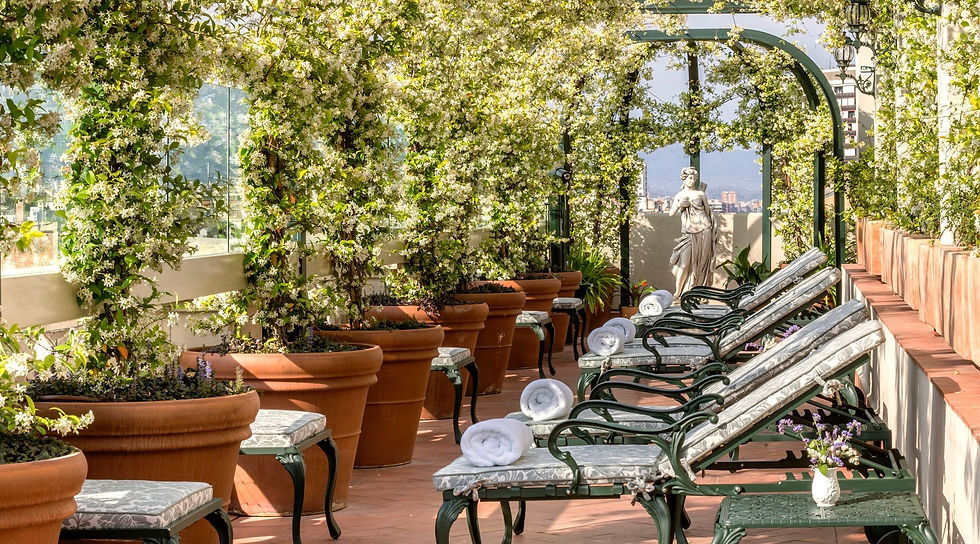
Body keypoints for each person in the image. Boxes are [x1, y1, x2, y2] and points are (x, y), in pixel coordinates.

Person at [668, 166, 717, 297]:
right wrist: (679, 205)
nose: (692, 181)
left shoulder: (700, 194)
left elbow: (708, 213)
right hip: (689, 233)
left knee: (702, 261)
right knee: (684, 264)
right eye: (690, 178)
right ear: (684, 179)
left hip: (705, 230)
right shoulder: (679, 195)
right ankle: (678, 292)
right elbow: (671, 213)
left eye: (694, 179)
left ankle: (696, 292)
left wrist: (713, 231)